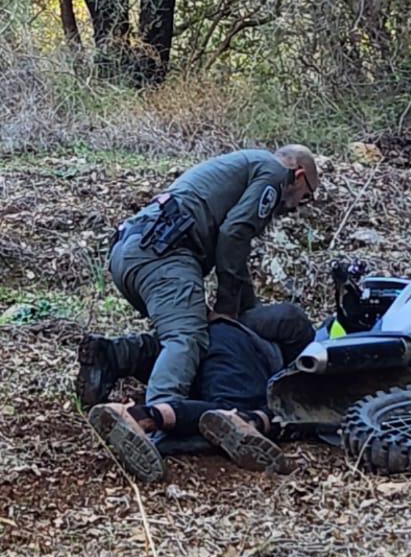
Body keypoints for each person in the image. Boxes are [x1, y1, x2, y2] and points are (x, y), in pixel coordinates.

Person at [89, 144, 318, 420]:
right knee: (186, 337)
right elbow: (233, 235)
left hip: (131, 252)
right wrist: (226, 305)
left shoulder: (247, 166)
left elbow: (236, 256)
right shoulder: (274, 173)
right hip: (164, 253)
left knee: (192, 330)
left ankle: (114, 356)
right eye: (305, 197)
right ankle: (157, 416)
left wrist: (242, 312)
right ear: (299, 174)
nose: (294, 208)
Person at [79, 304, 316, 483]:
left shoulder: (199, 323)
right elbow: (291, 320)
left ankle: (112, 357)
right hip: (232, 351)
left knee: (174, 359)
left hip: (187, 339)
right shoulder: (304, 344)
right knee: (233, 412)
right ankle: (141, 416)